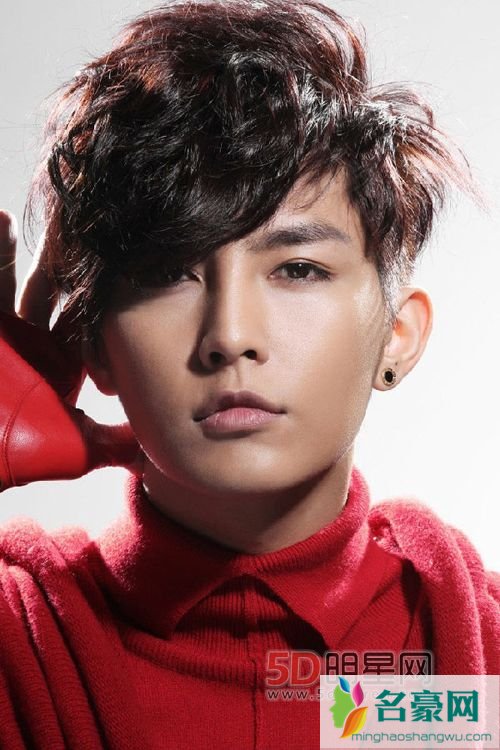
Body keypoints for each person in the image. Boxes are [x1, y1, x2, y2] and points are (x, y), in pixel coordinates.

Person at [0, 1, 498, 748]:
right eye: (167, 274)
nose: (230, 336)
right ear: (93, 345)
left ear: (397, 335)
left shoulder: (477, 655)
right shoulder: (20, 645)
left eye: (298, 269)